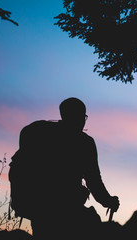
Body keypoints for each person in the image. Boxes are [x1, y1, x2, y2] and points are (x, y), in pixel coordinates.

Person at [16, 97, 119, 239]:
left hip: (41, 212)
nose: (83, 120)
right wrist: (109, 201)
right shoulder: (84, 143)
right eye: (83, 116)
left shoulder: (43, 136)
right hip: (70, 212)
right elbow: (94, 182)